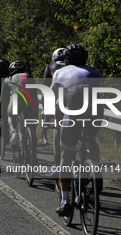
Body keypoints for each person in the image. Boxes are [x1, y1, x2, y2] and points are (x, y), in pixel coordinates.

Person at [50, 44, 103, 216]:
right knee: (90, 140)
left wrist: (53, 117)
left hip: (72, 113)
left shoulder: (59, 72)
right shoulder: (95, 72)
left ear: (66, 60)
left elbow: (53, 98)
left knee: (66, 156)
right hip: (95, 112)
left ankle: (65, 201)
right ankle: (95, 169)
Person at [0, 61, 39, 152]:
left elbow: (2, 101)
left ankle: (14, 132)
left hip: (17, 99)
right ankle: (34, 156)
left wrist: (0, 113)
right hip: (32, 101)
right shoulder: (30, 76)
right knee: (33, 132)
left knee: (11, 114)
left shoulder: (7, 79)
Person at [41, 48, 66, 177]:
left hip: (60, 102)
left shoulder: (50, 67)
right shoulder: (73, 66)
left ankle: (57, 165)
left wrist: (46, 110)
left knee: (57, 128)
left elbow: (46, 90)